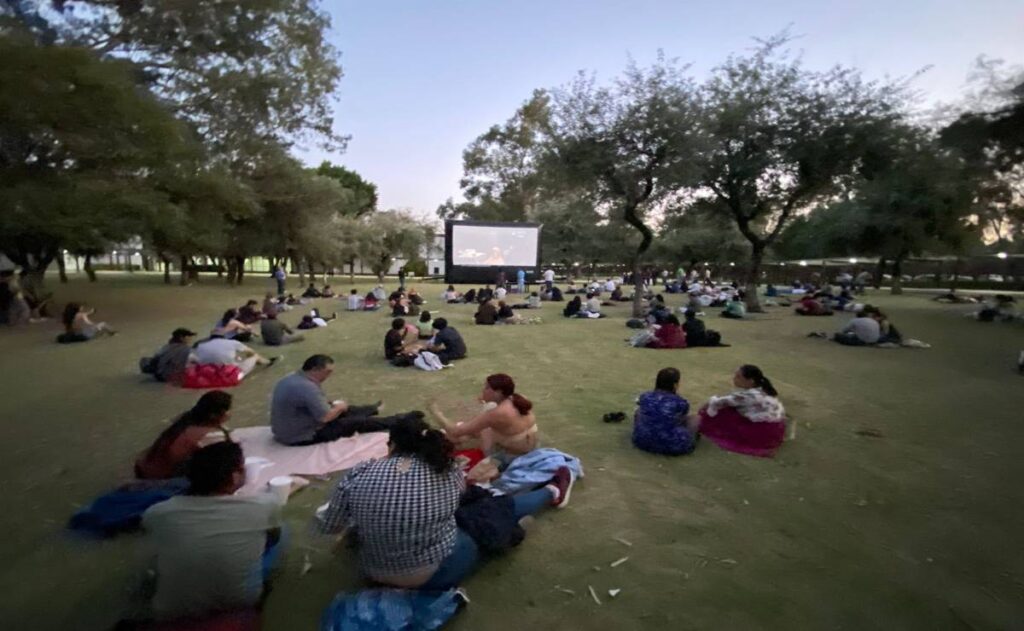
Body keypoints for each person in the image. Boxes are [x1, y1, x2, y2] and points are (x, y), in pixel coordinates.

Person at [318, 416, 573, 590]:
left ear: (391, 444)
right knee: (490, 511)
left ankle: (537, 500)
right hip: (434, 573)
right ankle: (552, 491)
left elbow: (330, 526)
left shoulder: (361, 472)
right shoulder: (445, 470)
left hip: (372, 570)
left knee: (474, 512)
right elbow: (458, 502)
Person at [140, 442, 283, 621]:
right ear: (233, 476)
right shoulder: (264, 505)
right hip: (241, 601)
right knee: (281, 533)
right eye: (241, 467)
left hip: (170, 609)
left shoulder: (158, 512)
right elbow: (273, 539)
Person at [270, 354, 419, 445]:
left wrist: (337, 406)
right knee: (354, 421)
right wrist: (339, 408)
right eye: (327, 372)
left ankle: (372, 409)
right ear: (315, 369)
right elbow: (324, 418)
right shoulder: (306, 388)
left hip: (289, 428)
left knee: (344, 408)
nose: (328, 376)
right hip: (301, 436)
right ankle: (399, 420)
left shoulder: (293, 378)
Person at [135, 391, 232, 480]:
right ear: (214, 415)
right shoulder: (210, 435)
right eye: (228, 410)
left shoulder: (184, 421)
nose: (229, 413)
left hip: (144, 470)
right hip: (162, 479)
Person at [437, 373, 539, 457]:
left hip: (514, 454)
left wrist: (437, 413)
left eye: (486, 388)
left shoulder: (497, 413)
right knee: (487, 412)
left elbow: (456, 432)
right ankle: (462, 438)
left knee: (477, 429)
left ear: (498, 392)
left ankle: (487, 457)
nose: (483, 390)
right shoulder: (519, 398)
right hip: (529, 443)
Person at [697, 365, 787, 458]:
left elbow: (718, 402)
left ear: (750, 381)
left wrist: (705, 407)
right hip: (776, 428)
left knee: (721, 410)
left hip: (762, 431)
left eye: (738, 377)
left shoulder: (749, 395)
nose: (734, 379)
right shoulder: (764, 389)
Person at [633, 368, 698, 456]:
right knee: (695, 419)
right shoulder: (680, 402)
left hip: (641, 442)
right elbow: (682, 418)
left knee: (638, 411)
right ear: (675, 385)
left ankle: (644, 433)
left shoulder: (645, 396)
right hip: (672, 447)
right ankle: (690, 440)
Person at [193, 334, 275, 377]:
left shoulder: (201, 346)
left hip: (207, 373)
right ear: (224, 337)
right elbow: (251, 352)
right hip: (230, 374)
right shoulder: (232, 342)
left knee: (237, 358)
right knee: (255, 356)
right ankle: (267, 362)